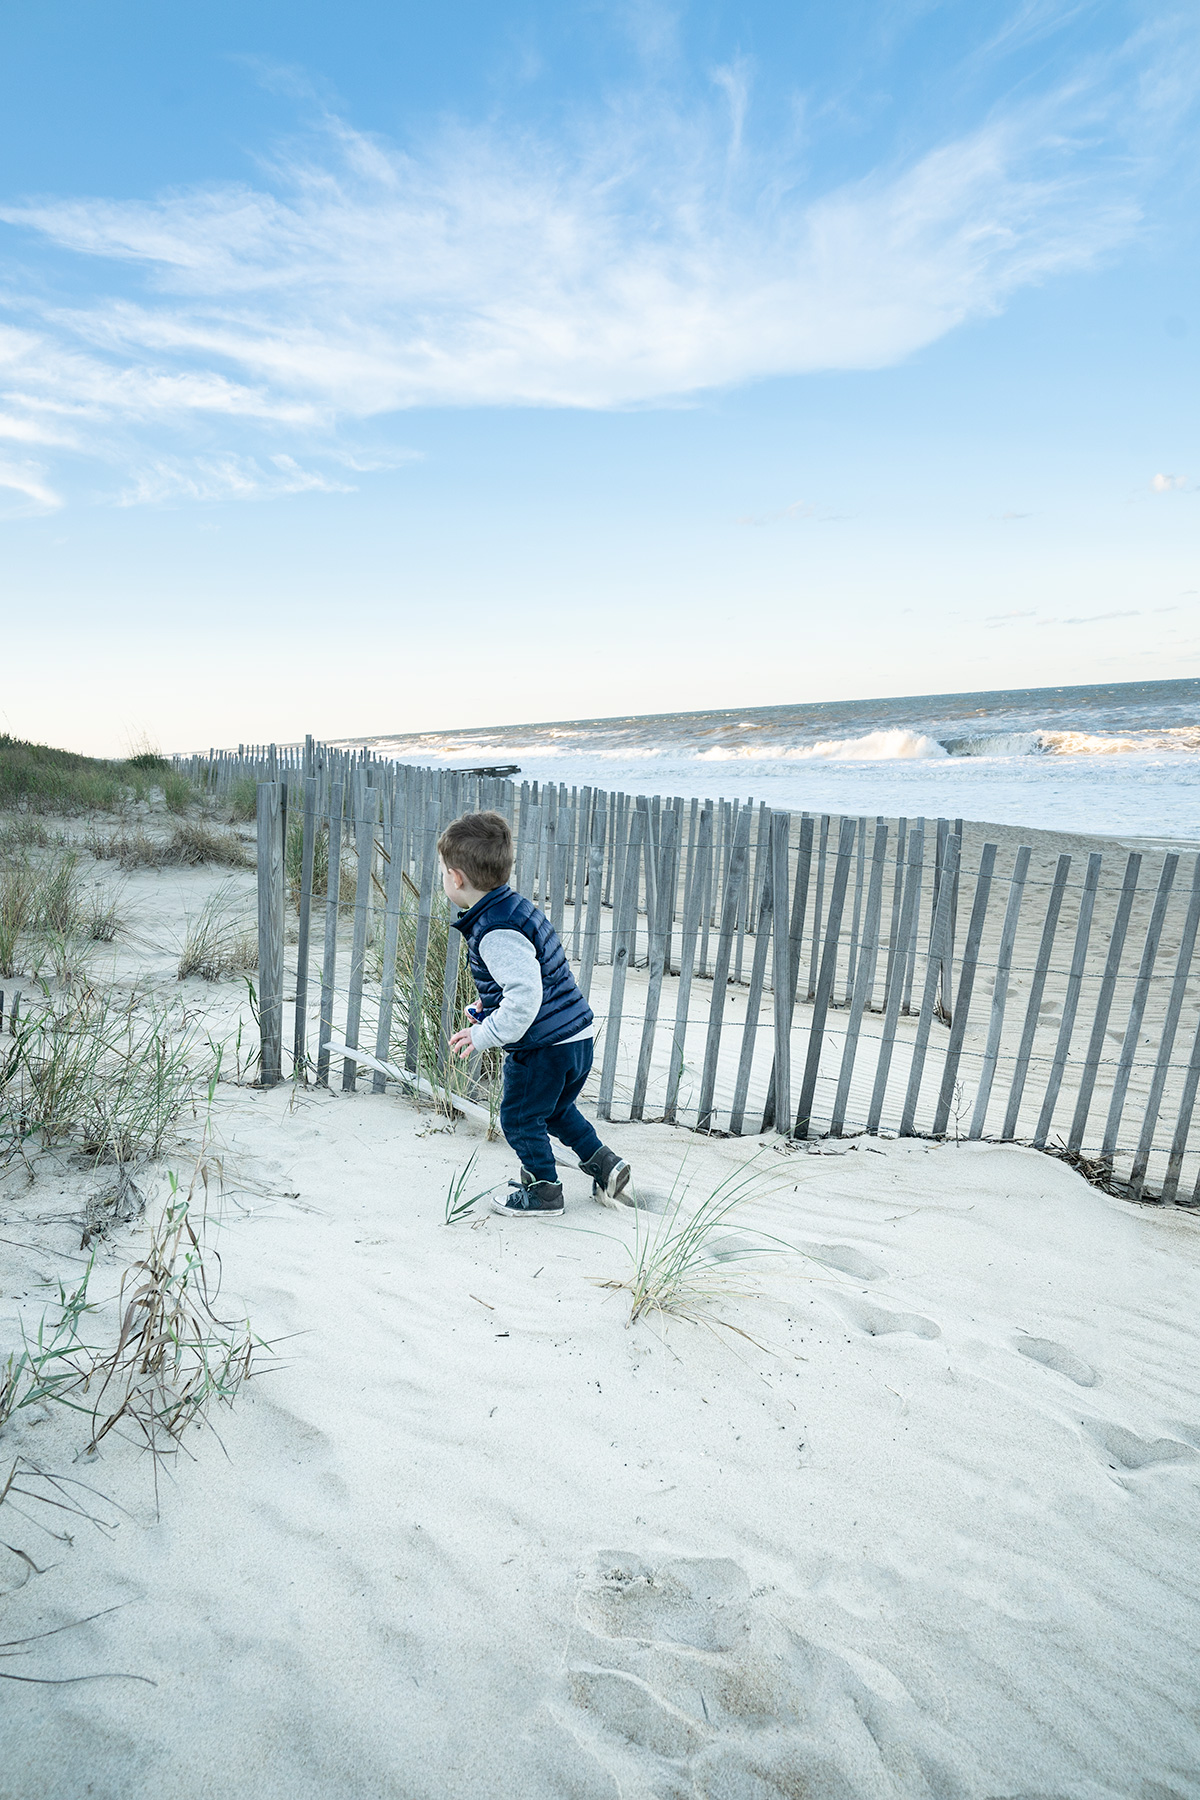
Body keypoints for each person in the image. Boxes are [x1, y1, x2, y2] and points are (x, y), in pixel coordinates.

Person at [439, 809, 631, 1216]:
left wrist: (483, 1034)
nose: (443, 879)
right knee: (556, 1110)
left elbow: (524, 999)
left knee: (521, 1117)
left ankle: (544, 1193)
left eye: (443, 871)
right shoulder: (515, 908)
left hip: (543, 1047)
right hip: (574, 1036)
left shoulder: (494, 930)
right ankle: (606, 1166)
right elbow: (532, 978)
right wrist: (487, 1007)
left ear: (456, 877)